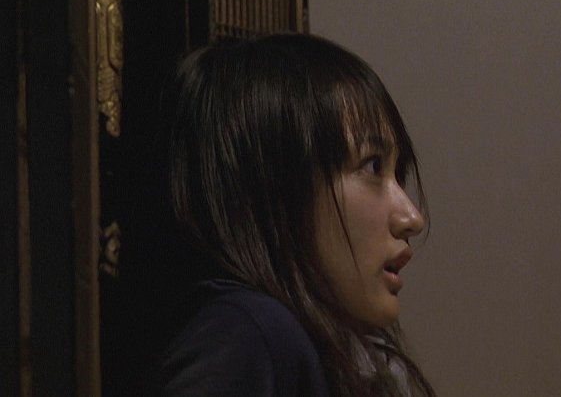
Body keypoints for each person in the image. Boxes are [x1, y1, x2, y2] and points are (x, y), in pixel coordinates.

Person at [148, 34, 435, 397]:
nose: (411, 217)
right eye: (373, 166)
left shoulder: (306, 344)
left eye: (397, 174)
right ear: (274, 185)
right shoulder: (250, 330)